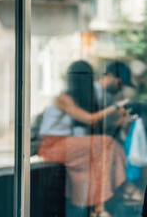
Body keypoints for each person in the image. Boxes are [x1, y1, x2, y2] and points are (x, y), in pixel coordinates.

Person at [37, 60, 129, 217]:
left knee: (96, 161)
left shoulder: (75, 98)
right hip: (51, 145)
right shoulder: (63, 98)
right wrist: (114, 107)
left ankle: (97, 207)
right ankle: (112, 197)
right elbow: (90, 119)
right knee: (107, 143)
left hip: (65, 143)